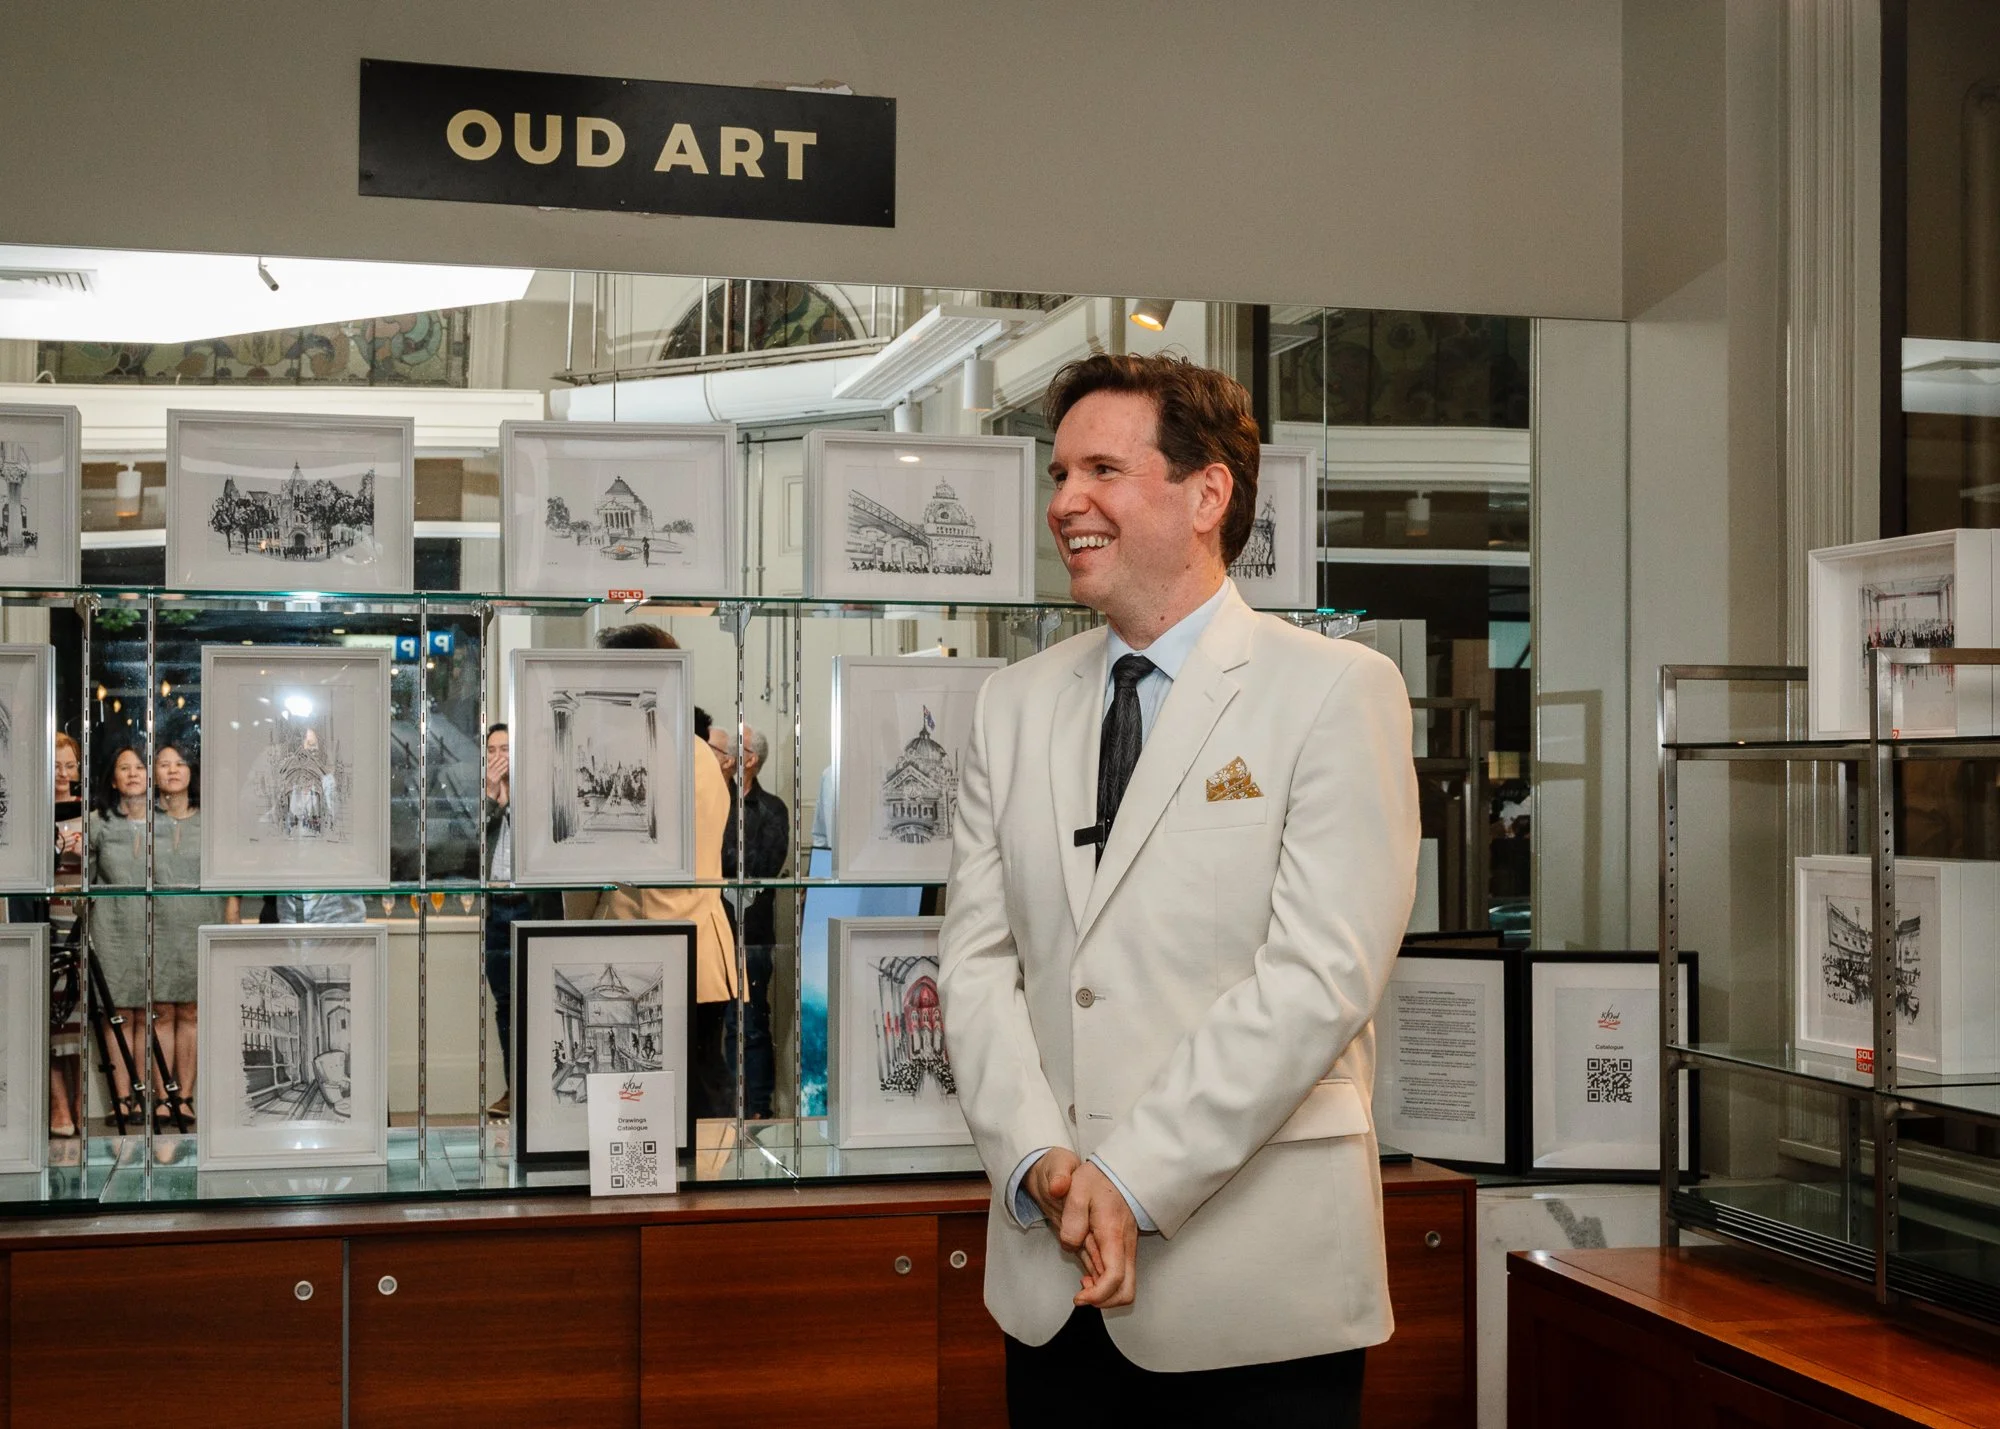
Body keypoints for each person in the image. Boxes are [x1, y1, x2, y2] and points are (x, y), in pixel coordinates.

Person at [938, 353, 1419, 1426]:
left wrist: (1134, 1174)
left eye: (1102, 468)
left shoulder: (1335, 691)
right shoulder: (1009, 706)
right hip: (1051, 1280)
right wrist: (1042, 1162)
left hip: (1255, 1294)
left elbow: (1317, 977)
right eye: (1057, 474)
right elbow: (971, 966)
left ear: (1208, 494)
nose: (1065, 502)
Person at [565, 625, 739, 1119]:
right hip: (704, 946)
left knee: (634, 1099)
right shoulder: (703, 752)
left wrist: (575, 929)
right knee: (704, 1082)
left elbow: (585, 864)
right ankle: (715, 1188)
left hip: (633, 944)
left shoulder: (622, 752)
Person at [86, 741, 231, 1129]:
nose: (170, 771)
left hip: (198, 925)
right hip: (158, 927)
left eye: (179, 763)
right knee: (161, 1013)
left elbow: (230, 881)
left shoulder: (210, 820)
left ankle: (183, 1097)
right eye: (162, 764)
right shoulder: (144, 819)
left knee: (192, 1012)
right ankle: (160, 1095)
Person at [480, 721, 561, 1116]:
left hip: (533, 909)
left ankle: (544, 1091)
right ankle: (516, 1091)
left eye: (505, 750)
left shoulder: (539, 796)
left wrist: (508, 802)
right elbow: (465, 855)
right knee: (505, 1005)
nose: (498, 758)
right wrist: (492, 803)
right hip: (496, 909)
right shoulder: (484, 803)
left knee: (541, 1001)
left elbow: (545, 846)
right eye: (492, 751)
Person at [714, 723, 788, 1118]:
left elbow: (763, 865)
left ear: (750, 759)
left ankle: (758, 1108)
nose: (723, 756)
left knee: (753, 1021)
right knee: (719, 1023)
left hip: (754, 931)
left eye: (732, 750)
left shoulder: (773, 809)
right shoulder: (712, 800)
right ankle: (727, 1106)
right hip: (715, 927)